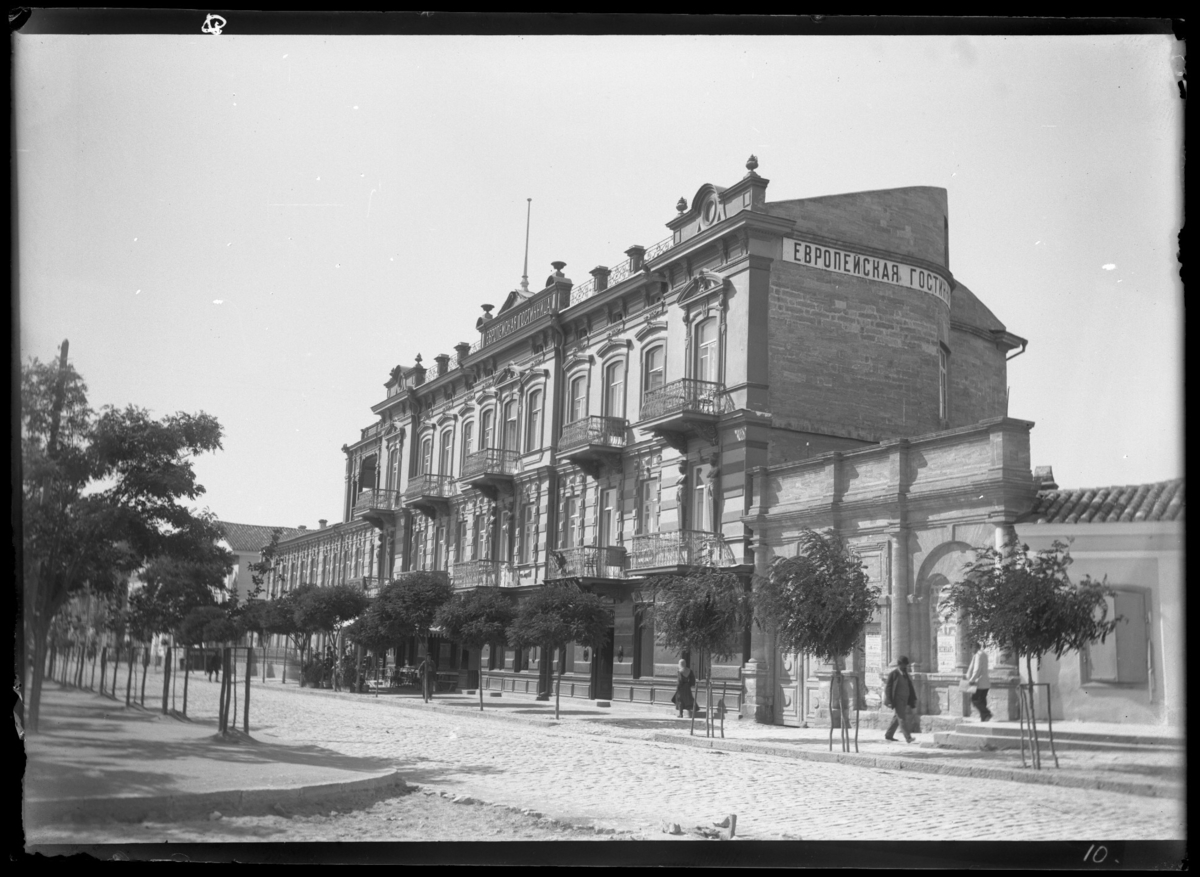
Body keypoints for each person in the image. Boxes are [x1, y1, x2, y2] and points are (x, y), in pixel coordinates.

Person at [883, 655, 918, 743]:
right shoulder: (893, 674)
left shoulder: (905, 674)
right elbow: (888, 688)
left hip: (905, 699)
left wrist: (913, 699)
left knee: (897, 717)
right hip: (897, 699)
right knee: (901, 717)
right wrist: (889, 700)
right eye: (904, 664)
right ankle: (908, 737)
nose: (905, 666)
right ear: (900, 664)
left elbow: (910, 687)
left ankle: (889, 734)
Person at [965, 642, 993, 722]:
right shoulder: (984, 654)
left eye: (971, 648)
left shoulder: (978, 655)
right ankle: (984, 718)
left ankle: (986, 714)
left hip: (979, 682)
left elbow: (977, 669)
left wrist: (972, 680)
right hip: (985, 682)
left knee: (975, 700)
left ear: (975, 647)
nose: (971, 650)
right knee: (982, 700)